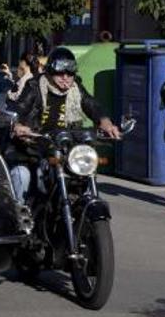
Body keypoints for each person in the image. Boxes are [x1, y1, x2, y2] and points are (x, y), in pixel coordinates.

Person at [10, 47, 120, 204]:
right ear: (49, 71)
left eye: (70, 73)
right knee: (23, 175)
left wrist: (105, 122)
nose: (65, 77)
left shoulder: (76, 88)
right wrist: (18, 125)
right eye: (60, 73)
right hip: (34, 147)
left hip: (65, 147)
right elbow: (19, 108)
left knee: (84, 174)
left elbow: (91, 104)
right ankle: (22, 220)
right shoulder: (34, 86)